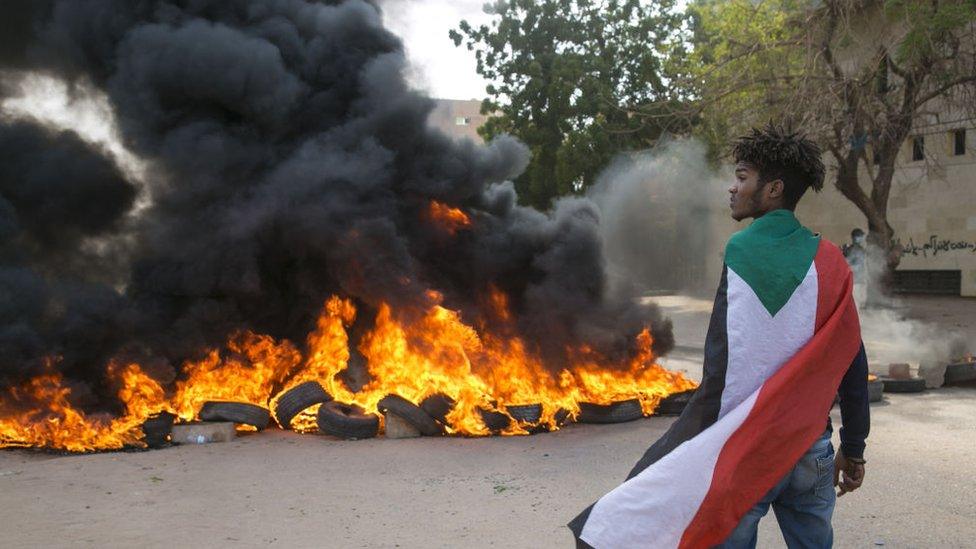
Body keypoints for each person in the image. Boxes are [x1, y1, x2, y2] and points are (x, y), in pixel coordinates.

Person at [569, 124, 870, 549]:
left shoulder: (742, 253)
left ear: (773, 189)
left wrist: (676, 450)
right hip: (811, 448)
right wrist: (853, 448)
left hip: (745, 451)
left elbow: (720, 371)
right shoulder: (831, 262)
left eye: (742, 177)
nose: (732, 188)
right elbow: (852, 362)